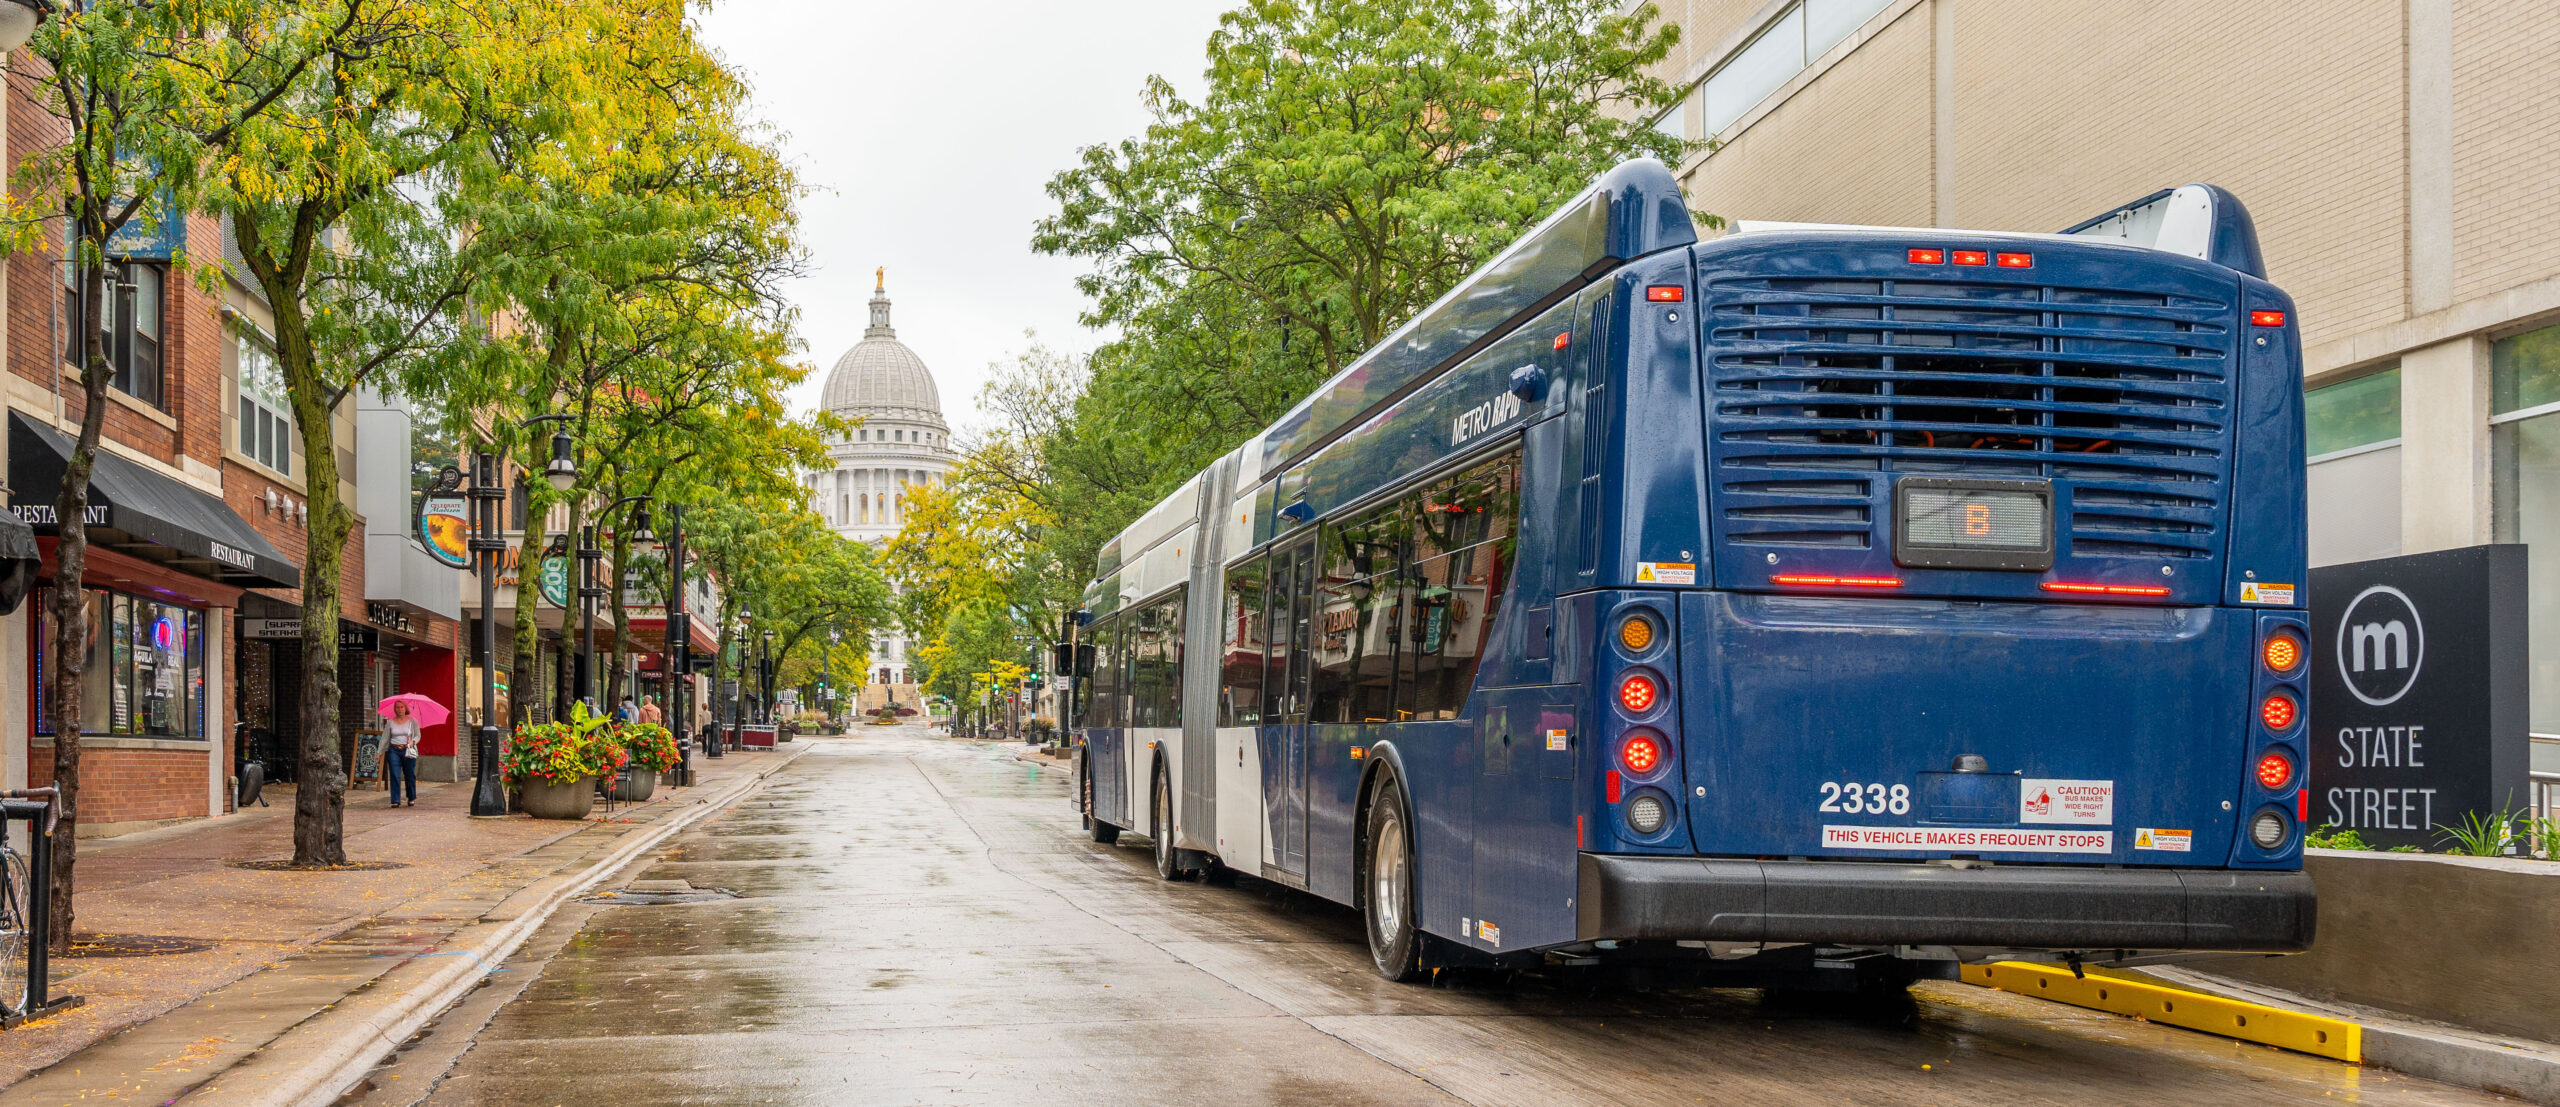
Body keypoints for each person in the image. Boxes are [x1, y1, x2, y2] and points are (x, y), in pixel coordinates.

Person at [383, 701, 423, 807]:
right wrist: (379, 752)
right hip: (394, 750)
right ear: (394, 709)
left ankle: (411, 797)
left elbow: (418, 736)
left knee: (409, 774)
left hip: (408, 750)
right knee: (395, 774)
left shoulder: (412, 721)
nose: (399, 709)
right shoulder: (390, 722)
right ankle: (395, 800)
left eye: (401, 707)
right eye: (397, 707)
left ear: (405, 709)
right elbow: (385, 738)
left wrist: (412, 742)